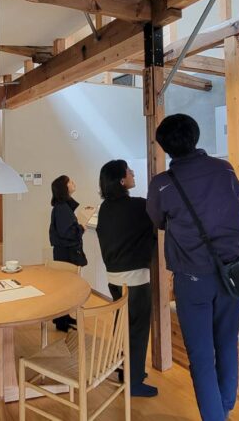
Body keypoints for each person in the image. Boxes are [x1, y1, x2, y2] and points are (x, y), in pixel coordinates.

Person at [146, 114, 239, 421]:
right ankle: (225, 408)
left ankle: (216, 415)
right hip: (232, 271)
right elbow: (235, 198)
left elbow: (158, 221)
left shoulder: (162, 184)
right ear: (196, 135)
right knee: (227, 343)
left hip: (192, 278)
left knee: (202, 355)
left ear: (164, 146)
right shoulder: (224, 169)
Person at [96, 160, 158, 398]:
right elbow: (160, 220)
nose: (133, 173)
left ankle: (125, 369)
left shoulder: (105, 208)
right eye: (129, 171)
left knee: (122, 325)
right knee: (138, 330)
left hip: (113, 278)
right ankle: (133, 382)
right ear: (122, 180)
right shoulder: (138, 206)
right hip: (135, 280)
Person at [49, 174, 87, 332]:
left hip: (65, 251)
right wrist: (81, 227)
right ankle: (61, 321)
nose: (73, 182)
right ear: (64, 187)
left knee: (65, 286)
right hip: (66, 253)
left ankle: (64, 318)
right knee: (65, 287)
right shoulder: (62, 208)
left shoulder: (63, 206)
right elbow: (68, 232)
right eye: (70, 181)